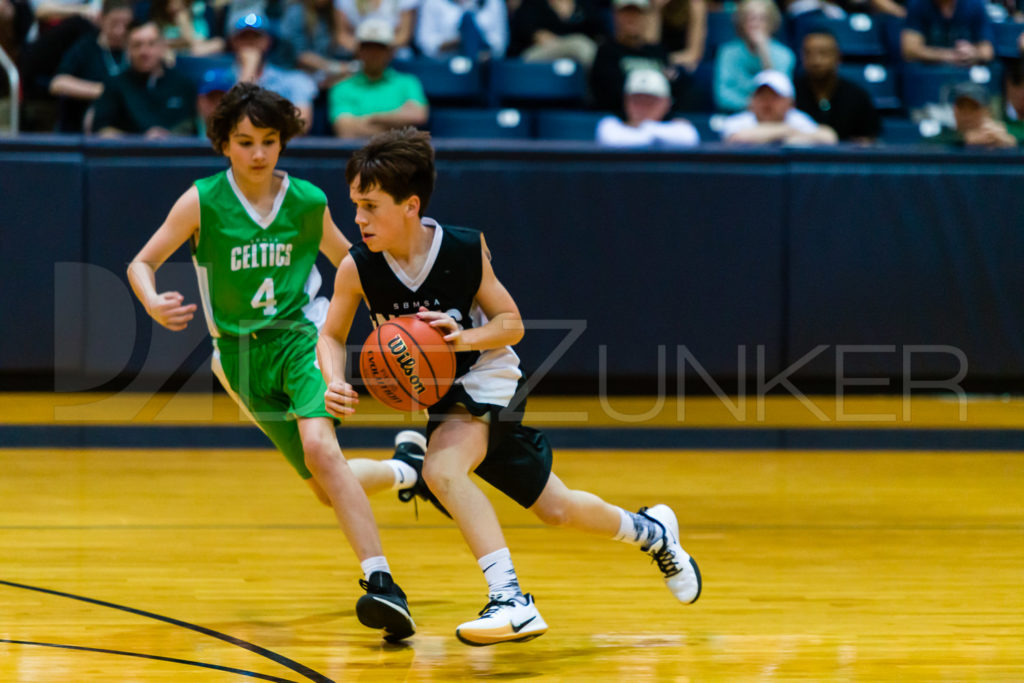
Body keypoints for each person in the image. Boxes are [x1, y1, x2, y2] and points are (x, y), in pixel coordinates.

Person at [317, 126, 702, 646]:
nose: (358, 219)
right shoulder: (357, 268)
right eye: (354, 206)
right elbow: (333, 335)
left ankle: (511, 600)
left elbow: (513, 324)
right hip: (442, 394)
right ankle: (654, 533)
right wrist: (334, 379)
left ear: (410, 205)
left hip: (487, 376)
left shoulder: (463, 248)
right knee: (557, 508)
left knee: (441, 469)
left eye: (370, 206)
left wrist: (464, 337)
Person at [126, 82, 417, 644]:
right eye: (245, 142)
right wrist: (151, 299)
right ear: (224, 144)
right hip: (237, 358)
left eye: (268, 141)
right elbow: (142, 261)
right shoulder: (202, 201)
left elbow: (352, 263)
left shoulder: (307, 201)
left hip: (301, 336)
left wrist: (393, 314)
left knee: (320, 449)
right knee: (322, 483)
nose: (258, 154)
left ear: (283, 141)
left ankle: (382, 583)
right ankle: (408, 470)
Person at [208, 11, 319, 132]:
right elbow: (223, 125)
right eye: (243, 36)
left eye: (256, 36)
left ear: (267, 41)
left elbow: (301, 125)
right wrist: (249, 69)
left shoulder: (294, 80)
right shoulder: (215, 79)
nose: (250, 42)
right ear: (233, 42)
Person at [88, 18, 198, 136]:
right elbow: (101, 131)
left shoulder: (184, 85)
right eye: (137, 45)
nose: (144, 51)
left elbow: (194, 128)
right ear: (128, 49)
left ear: (163, 47)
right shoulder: (114, 85)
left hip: (178, 152)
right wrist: (139, 140)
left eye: (151, 44)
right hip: (129, 152)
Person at [328, 18, 428, 139]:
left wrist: (372, 119)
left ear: (390, 52)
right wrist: (399, 124)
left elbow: (417, 116)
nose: (373, 53)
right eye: (367, 47)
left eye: (379, 47)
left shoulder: (408, 82)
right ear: (358, 51)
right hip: (360, 154)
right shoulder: (341, 87)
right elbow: (346, 130)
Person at [48, 0, 131, 132]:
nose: (119, 31)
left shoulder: (136, 50)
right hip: (79, 127)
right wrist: (104, 92)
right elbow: (57, 83)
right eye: (114, 24)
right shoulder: (86, 47)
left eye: (126, 25)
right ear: (101, 19)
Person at [794, 27, 881, 142]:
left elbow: (869, 139)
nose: (816, 60)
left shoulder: (857, 96)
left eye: (823, 53)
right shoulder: (791, 94)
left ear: (838, 57)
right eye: (809, 53)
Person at [589, 0, 672, 114]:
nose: (631, 18)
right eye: (626, 13)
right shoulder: (606, 51)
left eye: (637, 13)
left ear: (646, 17)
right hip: (620, 123)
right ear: (615, 16)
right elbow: (608, 94)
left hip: (657, 122)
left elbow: (670, 91)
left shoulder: (658, 52)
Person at [713, 0, 795, 112]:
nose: (756, 24)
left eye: (762, 19)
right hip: (737, 114)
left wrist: (764, 52)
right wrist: (753, 106)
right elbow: (723, 96)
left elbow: (783, 94)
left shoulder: (784, 55)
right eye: (751, 19)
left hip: (774, 117)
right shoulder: (727, 53)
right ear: (741, 23)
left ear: (772, 23)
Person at [721, 69, 838, 144]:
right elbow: (736, 139)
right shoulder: (738, 121)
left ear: (790, 103)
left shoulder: (797, 119)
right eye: (761, 97)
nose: (767, 103)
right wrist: (786, 131)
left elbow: (829, 137)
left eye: (774, 97)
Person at [596, 67, 700, 146]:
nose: (642, 107)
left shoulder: (681, 129)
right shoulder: (610, 125)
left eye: (650, 101)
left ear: (666, 103)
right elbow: (610, 137)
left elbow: (689, 136)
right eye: (636, 100)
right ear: (625, 101)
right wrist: (651, 131)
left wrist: (647, 128)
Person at [507, 0, 607, 67]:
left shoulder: (584, 5)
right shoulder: (534, 4)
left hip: (578, 56)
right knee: (581, 45)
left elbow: (598, 32)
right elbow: (528, 31)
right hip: (535, 55)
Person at [901, 0, 994, 65]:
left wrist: (973, 53)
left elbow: (987, 51)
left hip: (964, 74)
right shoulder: (918, 4)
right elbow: (910, 50)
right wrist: (949, 55)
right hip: (929, 75)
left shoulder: (974, 4)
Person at [929, 80, 1017, 147]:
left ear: (986, 111)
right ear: (954, 110)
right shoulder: (944, 138)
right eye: (961, 107)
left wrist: (1011, 144)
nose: (967, 114)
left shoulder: (999, 135)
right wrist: (964, 140)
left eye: (973, 108)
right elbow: (926, 146)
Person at [414, 0, 509, 60]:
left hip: (484, 70)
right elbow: (425, 42)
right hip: (444, 66)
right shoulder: (432, 2)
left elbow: (500, 44)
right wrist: (460, 41)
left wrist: (475, 44)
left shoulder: (493, 2)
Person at [333, 0, 418, 56]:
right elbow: (341, 35)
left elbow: (404, 35)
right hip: (356, 54)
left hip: (395, 55)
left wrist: (379, 50)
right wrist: (366, 50)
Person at [648, 0, 707, 73]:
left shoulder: (696, 5)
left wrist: (666, 60)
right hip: (657, 64)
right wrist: (656, 10)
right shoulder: (654, 4)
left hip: (682, 64)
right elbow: (650, 44)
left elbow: (694, 54)